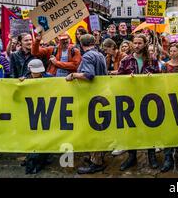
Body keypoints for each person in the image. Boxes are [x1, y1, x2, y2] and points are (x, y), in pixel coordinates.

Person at [116, 34, 162, 171]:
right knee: (131, 128)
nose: (137, 45)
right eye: (135, 43)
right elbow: (118, 79)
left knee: (150, 128)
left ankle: (151, 156)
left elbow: (159, 78)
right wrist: (126, 79)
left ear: (145, 44)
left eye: (139, 43)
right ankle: (132, 156)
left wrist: (152, 78)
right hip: (131, 99)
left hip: (148, 99)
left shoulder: (152, 60)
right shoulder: (125, 60)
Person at [66, 34, 108, 174]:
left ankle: (96, 163)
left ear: (81, 44)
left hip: (92, 96)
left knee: (93, 129)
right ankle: (96, 157)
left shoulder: (88, 56)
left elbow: (89, 75)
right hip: (101, 95)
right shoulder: (100, 55)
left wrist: (73, 75)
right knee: (98, 128)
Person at [20, 59, 53, 174]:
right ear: (29, 69)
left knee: (45, 133)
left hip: (45, 110)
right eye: (34, 72)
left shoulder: (49, 78)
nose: (36, 74)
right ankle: (31, 157)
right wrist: (20, 83)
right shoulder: (24, 78)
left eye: (38, 72)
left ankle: (44, 157)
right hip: (30, 111)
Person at [160, 43, 178, 172]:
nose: (172, 53)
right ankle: (167, 157)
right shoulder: (165, 66)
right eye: (170, 51)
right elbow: (160, 82)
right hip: (168, 100)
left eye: (174, 51)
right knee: (168, 128)